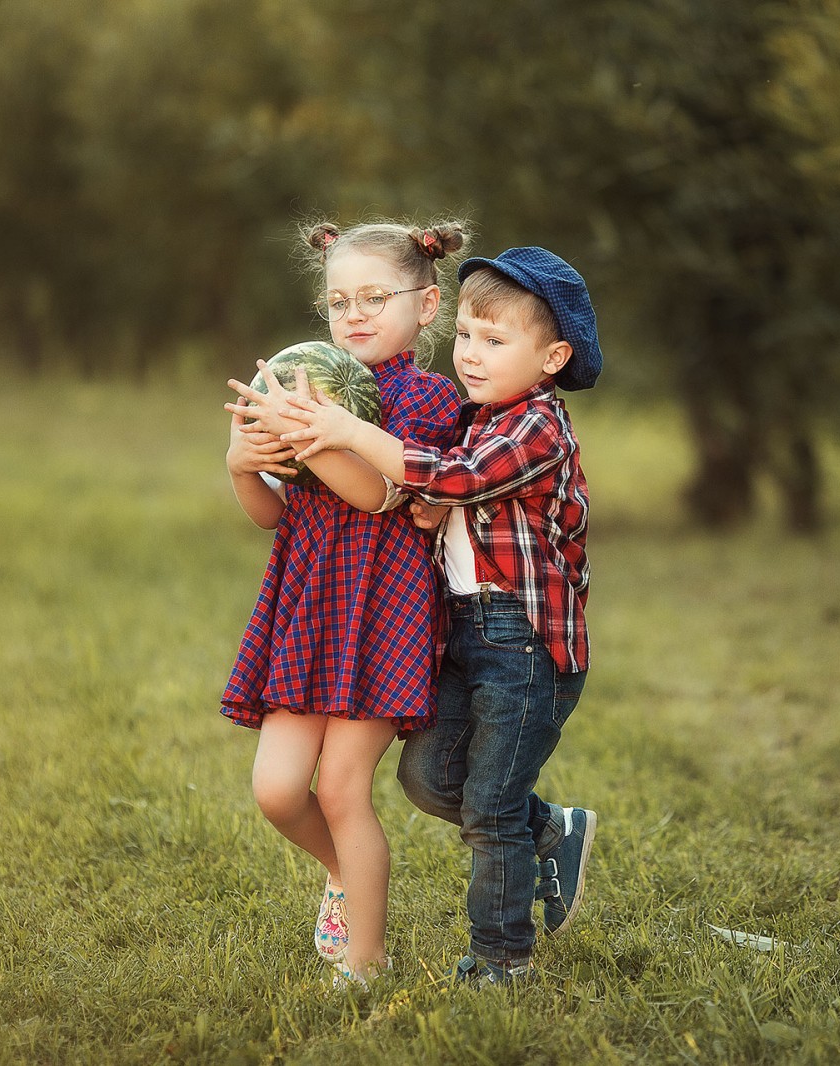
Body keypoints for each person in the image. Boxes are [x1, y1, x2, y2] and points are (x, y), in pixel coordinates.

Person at [266, 246, 602, 986]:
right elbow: (450, 496)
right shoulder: (482, 418)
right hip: (466, 636)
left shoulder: (536, 425)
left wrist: (356, 437)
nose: (472, 356)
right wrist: (431, 507)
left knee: (487, 808)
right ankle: (552, 829)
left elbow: (458, 476)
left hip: (524, 646)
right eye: (467, 337)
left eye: (495, 341)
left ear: (552, 357)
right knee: (427, 777)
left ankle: (499, 959)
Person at [221, 219, 466, 987]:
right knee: (276, 789)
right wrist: (243, 462)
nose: (353, 314)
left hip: (386, 615)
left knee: (338, 786)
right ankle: (341, 874)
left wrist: (321, 433)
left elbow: (374, 495)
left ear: (426, 307)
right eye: (337, 301)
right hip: (309, 609)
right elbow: (270, 515)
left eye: (374, 297)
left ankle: (365, 960)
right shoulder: (307, 387)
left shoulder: (427, 400)